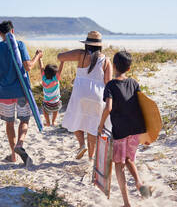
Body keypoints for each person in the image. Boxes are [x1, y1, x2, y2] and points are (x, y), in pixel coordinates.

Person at [0, 20, 42, 165]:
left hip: (5, 93)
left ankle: (13, 155)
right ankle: (20, 145)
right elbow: (28, 67)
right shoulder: (20, 45)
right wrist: (37, 57)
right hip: (21, 91)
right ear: (13, 31)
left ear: (0, 33)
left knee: (9, 123)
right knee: (24, 120)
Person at [98, 51, 152, 207]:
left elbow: (108, 107)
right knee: (129, 159)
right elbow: (144, 106)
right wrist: (147, 133)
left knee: (119, 165)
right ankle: (139, 183)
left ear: (113, 66)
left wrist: (101, 125)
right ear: (129, 69)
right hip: (135, 130)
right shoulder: (134, 83)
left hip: (120, 132)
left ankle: (127, 203)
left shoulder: (111, 85)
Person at [58, 31, 112, 161]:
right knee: (93, 125)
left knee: (76, 119)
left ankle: (82, 144)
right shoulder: (106, 60)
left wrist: (68, 56)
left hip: (80, 93)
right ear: (100, 45)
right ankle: (90, 157)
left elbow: (60, 57)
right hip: (97, 95)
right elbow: (108, 83)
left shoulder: (80, 54)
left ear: (87, 44)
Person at [38, 52, 64, 126]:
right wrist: (62, 61)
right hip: (56, 103)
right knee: (56, 111)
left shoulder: (43, 78)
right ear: (55, 74)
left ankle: (48, 121)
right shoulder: (56, 80)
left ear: (45, 72)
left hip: (47, 104)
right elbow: (60, 70)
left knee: (44, 110)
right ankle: (53, 121)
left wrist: (40, 58)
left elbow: (41, 67)